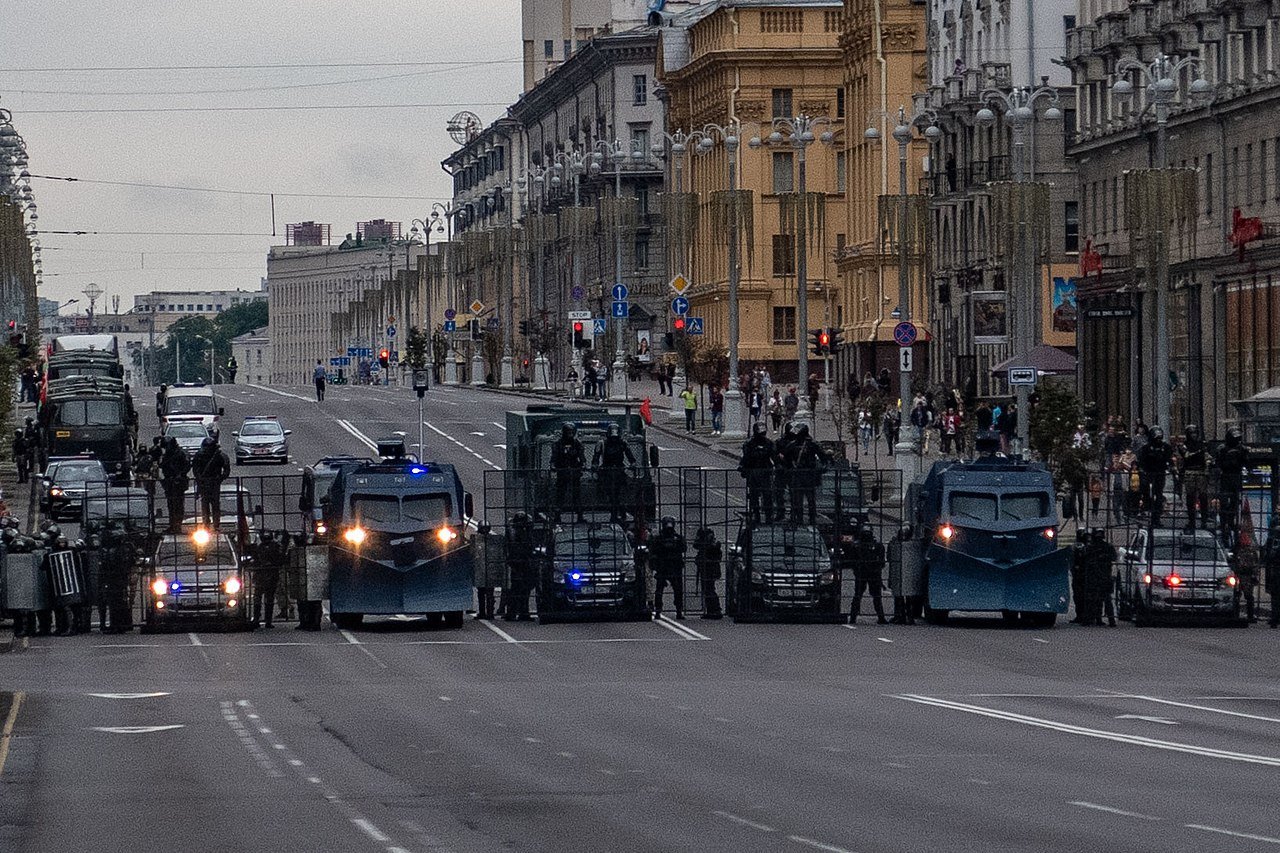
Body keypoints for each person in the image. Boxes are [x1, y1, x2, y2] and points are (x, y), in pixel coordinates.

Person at [785, 423, 828, 525]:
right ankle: (799, 518)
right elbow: (787, 459)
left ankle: (812, 518)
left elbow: (823, 457)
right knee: (798, 499)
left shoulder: (812, 444)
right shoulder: (792, 445)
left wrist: (822, 468)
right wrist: (790, 469)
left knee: (811, 499)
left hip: (809, 474)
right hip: (798, 475)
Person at [592, 423, 636, 522]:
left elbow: (630, 456)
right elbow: (596, 457)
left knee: (620, 493)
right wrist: (594, 465)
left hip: (619, 470)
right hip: (607, 471)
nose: (614, 438)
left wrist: (632, 463)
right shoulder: (602, 443)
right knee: (610, 494)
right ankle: (615, 513)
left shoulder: (623, 443)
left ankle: (621, 512)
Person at [1215, 427, 1249, 549]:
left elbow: (1246, 462)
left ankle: (1232, 521)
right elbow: (1218, 464)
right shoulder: (1222, 449)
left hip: (1236, 477)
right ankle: (1224, 523)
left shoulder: (1242, 449)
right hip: (1226, 477)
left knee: (1235, 502)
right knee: (1224, 502)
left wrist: (1241, 456)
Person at [847, 523, 887, 625]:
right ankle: (853, 617)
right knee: (859, 596)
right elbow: (852, 560)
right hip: (863, 573)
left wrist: (876, 569)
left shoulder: (876, 546)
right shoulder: (857, 546)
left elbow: (881, 561)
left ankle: (881, 617)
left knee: (875, 596)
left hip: (872, 573)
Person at [739, 422, 776, 525]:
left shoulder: (769, 443)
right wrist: (743, 467)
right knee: (754, 496)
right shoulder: (749, 444)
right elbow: (746, 457)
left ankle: (769, 516)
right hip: (753, 471)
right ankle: (756, 515)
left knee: (767, 495)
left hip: (765, 471)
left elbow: (774, 457)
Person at [1135, 426, 1173, 526]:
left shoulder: (1166, 447)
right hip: (1149, 474)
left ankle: (1156, 518)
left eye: (1160, 438)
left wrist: (1171, 467)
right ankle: (1145, 508)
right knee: (1147, 495)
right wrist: (1142, 471)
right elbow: (1141, 462)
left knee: (1158, 496)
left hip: (1160, 474)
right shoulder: (1146, 448)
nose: (1158, 440)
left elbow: (1169, 460)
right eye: (1156, 438)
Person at [190, 437, 231, 529]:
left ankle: (216, 524)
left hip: (214, 482)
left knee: (215, 503)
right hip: (204, 482)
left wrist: (220, 478)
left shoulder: (219, 456)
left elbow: (226, 469)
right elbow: (195, 469)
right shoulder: (199, 455)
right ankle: (206, 523)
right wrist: (199, 478)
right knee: (205, 503)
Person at [650, 515, 686, 619]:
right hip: (665, 567)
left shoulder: (675, 538)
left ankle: (677, 610)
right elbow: (653, 552)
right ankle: (659, 610)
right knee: (661, 590)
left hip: (673, 567)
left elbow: (683, 548)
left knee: (676, 590)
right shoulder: (660, 538)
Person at [1176, 424, 1211, 532]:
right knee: (1190, 498)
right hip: (1189, 472)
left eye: (1195, 433)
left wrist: (1208, 463)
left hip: (1201, 472)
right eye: (1191, 433)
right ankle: (1191, 521)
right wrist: (1198, 453)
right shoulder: (1183, 445)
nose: (1194, 435)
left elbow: (1207, 457)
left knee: (1203, 497)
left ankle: (1204, 520)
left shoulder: (1202, 444)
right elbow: (1186, 456)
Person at [887, 523, 923, 624]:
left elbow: (889, 558)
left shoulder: (910, 545)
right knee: (900, 597)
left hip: (907, 574)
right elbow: (889, 558)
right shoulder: (897, 544)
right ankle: (901, 616)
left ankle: (907, 616)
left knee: (908, 598)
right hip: (900, 573)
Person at [503, 512, 536, 621]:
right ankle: (513, 613)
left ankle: (521, 613)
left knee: (524, 589)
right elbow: (514, 546)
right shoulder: (514, 532)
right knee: (517, 589)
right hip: (518, 562)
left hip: (523, 562)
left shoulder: (523, 531)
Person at [550, 423, 586, 522]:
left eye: (571, 432)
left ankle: (579, 515)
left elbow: (582, 456)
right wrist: (553, 466)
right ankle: (557, 515)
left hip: (574, 472)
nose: (570, 434)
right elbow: (554, 456)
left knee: (577, 495)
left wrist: (583, 464)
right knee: (560, 494)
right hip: (562, 472)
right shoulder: (558, 443)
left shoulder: (577, 443)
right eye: (568, 432)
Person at [1084, 527, 1117, 627]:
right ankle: (1100, 619)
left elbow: (1113, 558)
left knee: (1100, 599)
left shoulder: (1103, 547)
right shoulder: (1093, 548)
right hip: (1098, 577)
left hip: (1101, 577)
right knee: (1099, 599)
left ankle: (1105, 619)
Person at [254, 530, 286, 628]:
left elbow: (280, 560)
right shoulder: (261, 547)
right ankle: (261, 620)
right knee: (263, 598)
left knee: (264, 598)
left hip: (269, 575)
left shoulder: (272, 547)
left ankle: (261, 620)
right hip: (265, 575)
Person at [160, 437, 191, 533]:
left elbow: (187, 466)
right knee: (170, 505)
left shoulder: (180, 453)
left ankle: (177, 525)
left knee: (178, 505)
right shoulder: (168, 454)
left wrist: (180, 475)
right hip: (169, 482)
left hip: (178, 482)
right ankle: (172, 525)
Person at [693, 527, 723, 619]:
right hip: (707, 569)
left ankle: (715, 610)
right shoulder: (709, 546)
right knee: (708, 589)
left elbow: (715, 557)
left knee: (709, 589)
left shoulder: (712, 546)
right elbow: (696, 545)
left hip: (710, 569)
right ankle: (711, 610)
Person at [1233, 537, 1260, 623]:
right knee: (1240, 596)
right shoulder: (1240, 550)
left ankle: (1246, 615)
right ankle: (1247, 616)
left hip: (1244, 575)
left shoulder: (1241, 551)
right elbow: (1256, 565)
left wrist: (1254, 575)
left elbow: (1255, 565)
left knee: (1243, 596)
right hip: (1242, 575)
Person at [1263, 523, 1280, 629]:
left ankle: (1275, 618)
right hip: (1275, 573)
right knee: (1275, 597)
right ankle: (1275, 618)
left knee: (1276, 598)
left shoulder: (1276, 545)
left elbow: (1271, 557)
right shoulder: (1274, 544)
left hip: (1277, 573)